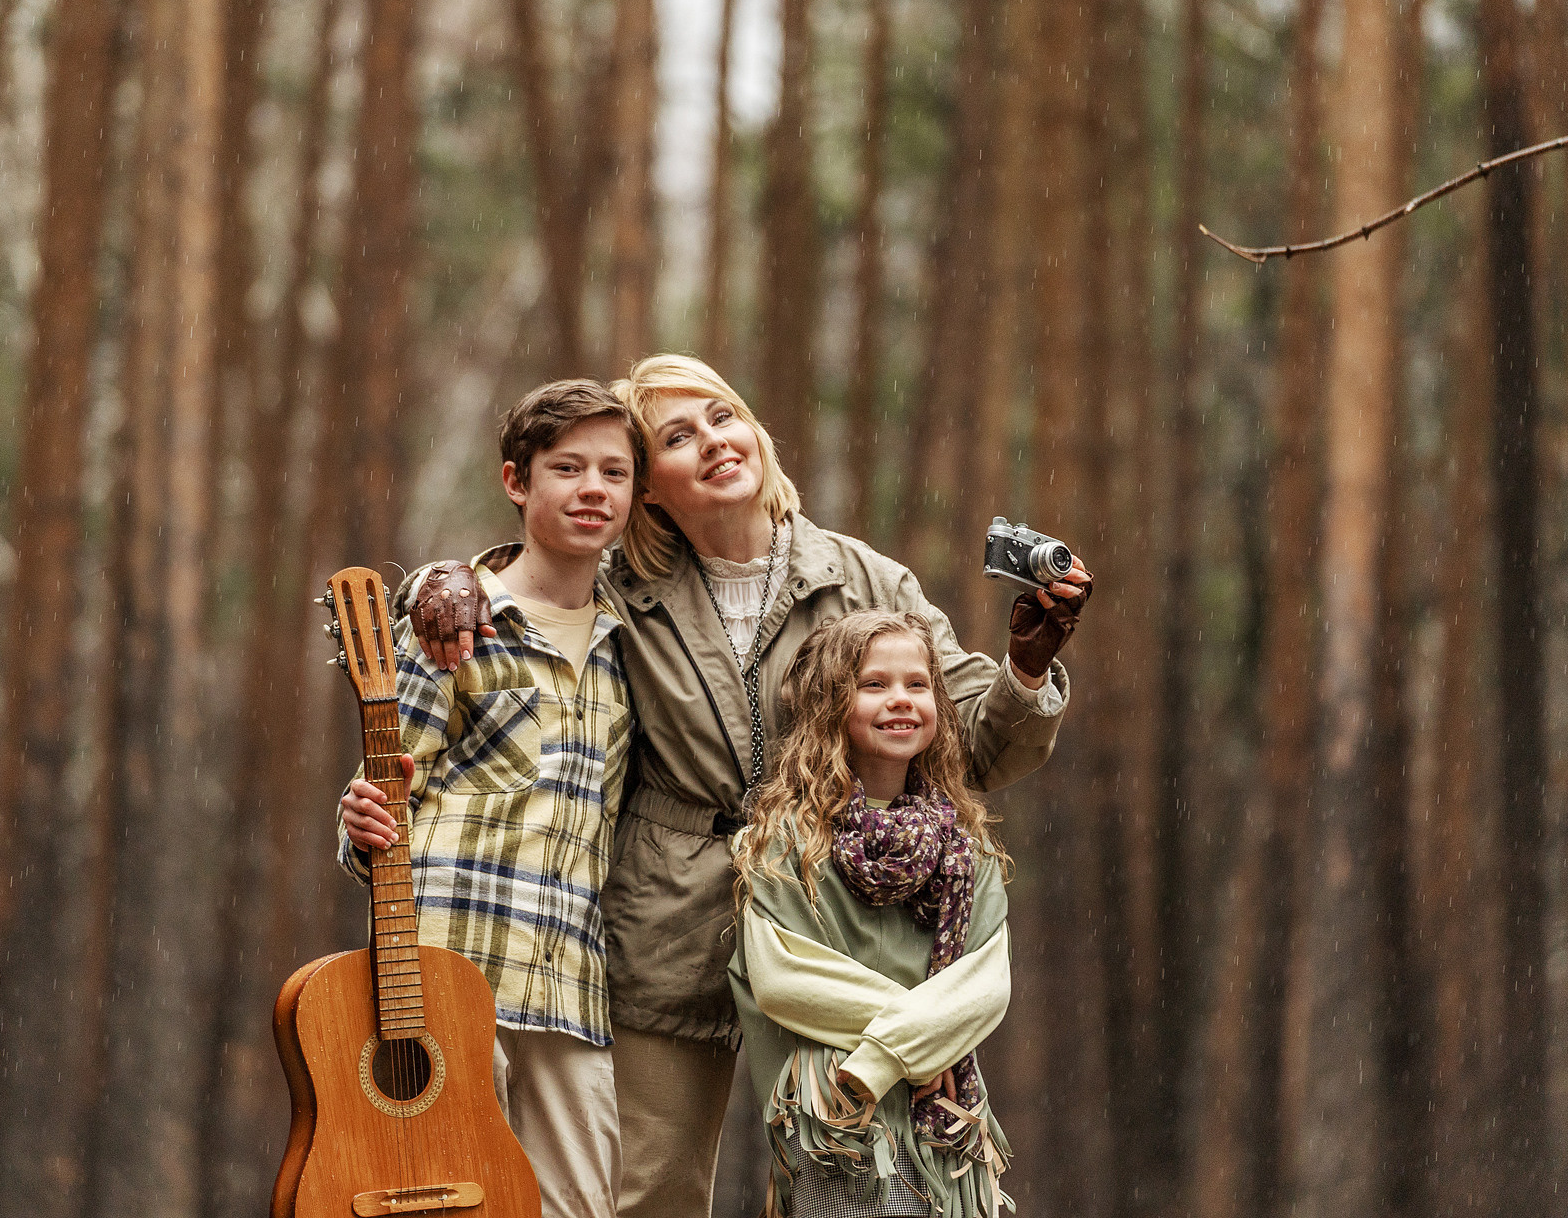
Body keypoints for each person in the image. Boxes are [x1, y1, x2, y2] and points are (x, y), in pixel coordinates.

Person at [405, 354, 1091, 1217]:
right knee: (650, 1192)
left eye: (723, 417)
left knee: (852, 1181)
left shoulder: (866, 581)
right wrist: (449, 580)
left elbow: (971, 751)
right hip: (664, 921)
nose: (715, 442)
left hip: (835, 925)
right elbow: (535, 580)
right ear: (650, 490)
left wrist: (1026, 668)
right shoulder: (622, 587)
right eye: (679, 437)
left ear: (757, 432)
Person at [337, 378, 642, 1218]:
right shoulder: (457, 625)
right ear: (517, 482)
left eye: (613, 474)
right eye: (568, 468)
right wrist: (358, 822)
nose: (592, 490)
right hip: (450, 965)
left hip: (571, 987)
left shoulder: (634, 643)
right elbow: (388, 777)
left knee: (582, 1206)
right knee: (445, 1203)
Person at [730, 610, 1014, 1218]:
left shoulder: (966, 847)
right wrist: (923, 1043)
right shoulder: (786, 843)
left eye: (918, 684)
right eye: (874, 684)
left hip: (944, 1127)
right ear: (833, 703)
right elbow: (785, 979)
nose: (901, 701)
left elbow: (986, 984)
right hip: (838, 1117)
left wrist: (894, 1055)